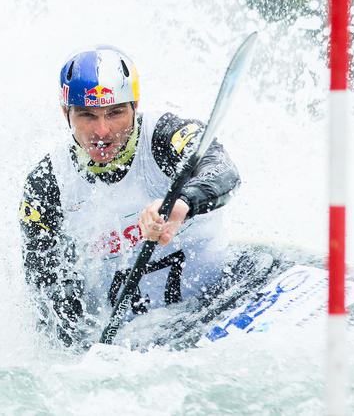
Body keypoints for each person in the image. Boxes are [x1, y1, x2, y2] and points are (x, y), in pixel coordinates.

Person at [19, 45, 241, 345]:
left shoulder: (163, 135)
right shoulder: (47, 186)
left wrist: (181, 204)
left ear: (135, 106)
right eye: (87, 115)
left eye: (115, 113)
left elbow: (223, 170)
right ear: (65, 113)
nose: (103, 131)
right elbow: (47, 293)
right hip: (136, 341)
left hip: (222, 298)